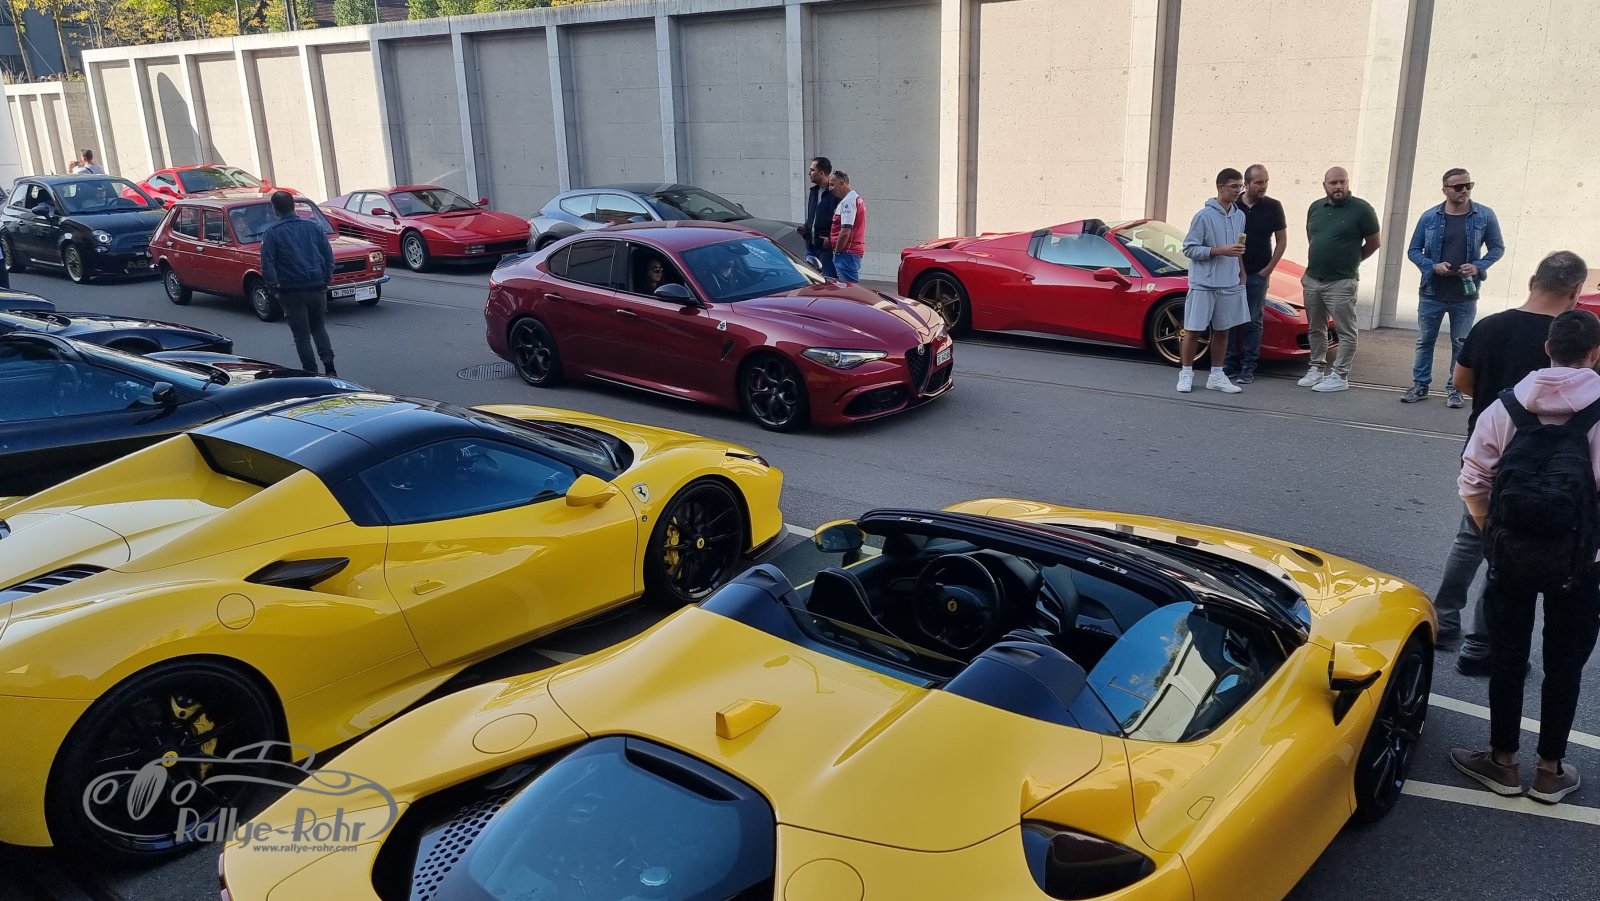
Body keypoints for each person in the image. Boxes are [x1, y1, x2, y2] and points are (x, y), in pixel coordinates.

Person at [1449, 308, 1600, 806]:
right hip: (1582, 560)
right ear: (1595, 355)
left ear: (1548, 348)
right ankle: (1551, 770)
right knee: (1564, 662)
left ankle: (1503, 761)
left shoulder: (1506, 406)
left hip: (1510, 554)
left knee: (1508, 655)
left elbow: (1473, 479)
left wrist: (1493, 535)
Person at [1437, 250, 1588, 671]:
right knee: (1510, 550)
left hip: (1484, 449)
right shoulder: (1571, 340)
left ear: (1531, 281)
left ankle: (1443, 621)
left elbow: (1461, 381)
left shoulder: (1489, 326)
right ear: (1576, 291)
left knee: (1470, 539)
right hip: (1543, 467)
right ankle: (1481, 643)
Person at [1403, 169, 1506, 407]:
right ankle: (1420, 385)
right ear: (1445, 190)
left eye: (1468, 185)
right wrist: (1432, 266)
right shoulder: (1430, 217)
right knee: (1425, 341)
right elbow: (1414, 250)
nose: (1465, 190)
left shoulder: (1484, 215)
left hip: (1465, 293)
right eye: (1458, 187)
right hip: (1432, 292)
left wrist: (1478, 266)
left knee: (1461, 343)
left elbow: (1497, 247)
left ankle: (1455, 388)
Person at [1299, 167, 1380, 392]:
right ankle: (1316, 368)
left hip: (1342, 281)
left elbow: (1374, 242)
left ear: (1347, 183)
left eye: (1342, 182)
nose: (1338, 186)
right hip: (1313, 279)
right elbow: (1312, 237)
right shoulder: (1316, 207)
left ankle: (1340, 375)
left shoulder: (1362, 209)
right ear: (1324, 184)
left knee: (1346, 331)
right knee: (1316, 327)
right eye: (1333, 182)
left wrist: (1351, 261)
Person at [1176, 168, 1249, 394]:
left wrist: (1241, 272)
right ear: (1220, 187)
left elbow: (1237, 249)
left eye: (1240, 186)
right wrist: (1219, 251)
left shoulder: (1239, 216)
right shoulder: (1203, 216)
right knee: (1193, 330)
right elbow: (1189, 249)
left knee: (1223, 330)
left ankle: (1217, 375)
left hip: (1228, 282)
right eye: (1234, 186)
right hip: (1203, 283)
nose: (1238, 191)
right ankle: (1186, 373)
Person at [260, 191, 336, 377]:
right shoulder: (314, 228)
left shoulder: (272, 233)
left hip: (291, 291)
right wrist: (325, 280)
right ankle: (330, 367)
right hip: (316, 287)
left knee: (301, 336)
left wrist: (274, 288)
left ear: (275, 209)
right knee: (319, 327)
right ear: (293, 206)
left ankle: (311, 374)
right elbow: (328, 257)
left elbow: (267, 265)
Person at [1224, 164, 1287, 384]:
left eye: (1266, 181)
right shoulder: (1234, 206)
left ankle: (1248, 367)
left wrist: (1268, 269)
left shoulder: (1273, 206)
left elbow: (1282, 240)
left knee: (1253, 321)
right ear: (1247, 183)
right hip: (1232, 272)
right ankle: (1228, 363)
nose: (1264, 186)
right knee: (1230, 319)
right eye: (1259, 182)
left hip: (1258, 273)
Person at [803, 156, 840, 278]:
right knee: (808, 279)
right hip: (811, 246)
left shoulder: (835, 194)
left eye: (812, 170)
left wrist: (830, 240)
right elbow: (813, 217)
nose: (809, 173)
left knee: (830, 281)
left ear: (822, 173)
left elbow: (841, 222)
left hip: (826, 249)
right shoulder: (813, 192)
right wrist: (806, 228)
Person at [828, 171, 866, 284]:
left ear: (842, 183)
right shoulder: (854, 198)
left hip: (846, 253)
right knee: (849, 288)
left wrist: (837, 252)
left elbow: (845, 231)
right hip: (849, 253)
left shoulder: (848, 202)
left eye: (832, 184)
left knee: (849, 289)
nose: (830, 188)